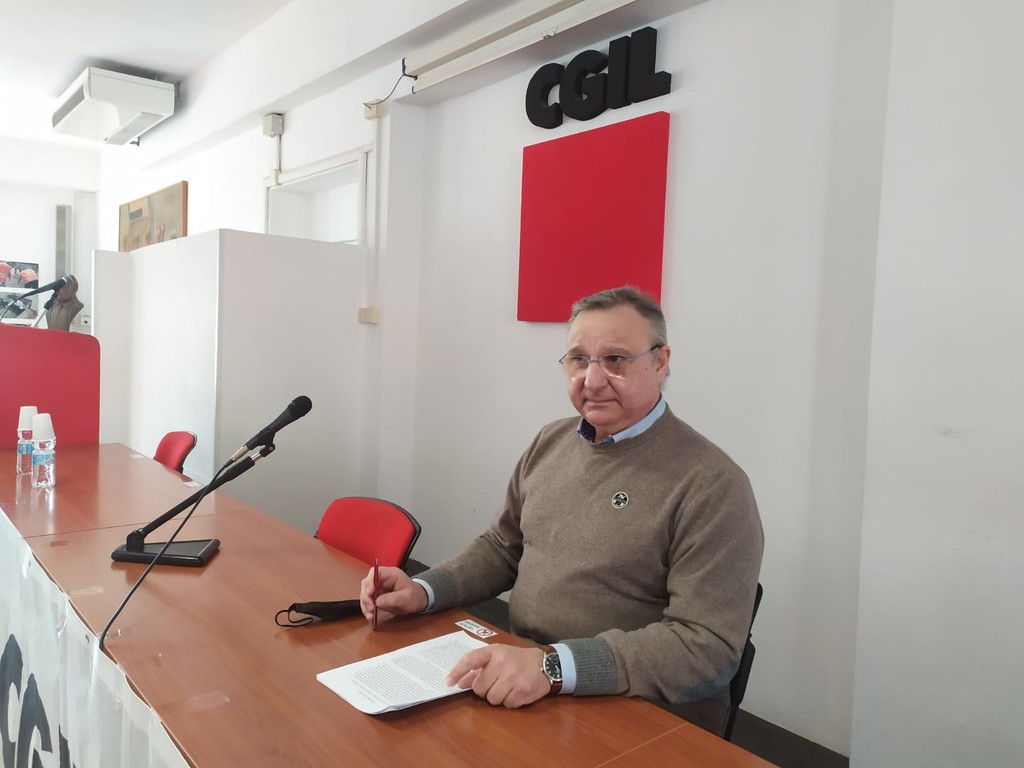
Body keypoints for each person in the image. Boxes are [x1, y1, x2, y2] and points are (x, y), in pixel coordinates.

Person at [360, 285, 764, 735]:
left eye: (615, 359)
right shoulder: (552, 441)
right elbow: (503, 547)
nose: (592, 380)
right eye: (578, 359)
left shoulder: (713, 484)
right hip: (523, 673)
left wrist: (554, 666)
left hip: (637, 712)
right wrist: (423, 590)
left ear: (660, 361)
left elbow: (704, 646)